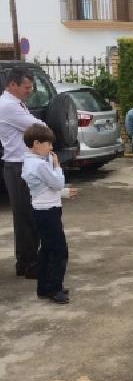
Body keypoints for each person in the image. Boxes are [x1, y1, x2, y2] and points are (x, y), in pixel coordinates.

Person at [21, 124, 77, 304]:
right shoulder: (40, 164)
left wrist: (65, 193)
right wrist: (57, 166)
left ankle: (44, 287)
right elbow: (57, 183)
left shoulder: (29, 161)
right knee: (59, 251)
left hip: (41, 210)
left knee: (46, 249)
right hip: (49, 212)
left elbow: (45, 187)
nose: (51, 148)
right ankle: (55, 288)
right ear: (36, 143)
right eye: (49, 144)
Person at [0, 67, 44, 278]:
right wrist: (45, 129)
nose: (30, 91)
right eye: (26, 87)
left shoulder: (16, 104)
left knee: (27, 215)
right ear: (13, 85)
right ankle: (29, 264)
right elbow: (38, 127)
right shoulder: (8, 106)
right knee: (26, 216)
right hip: (18, 166)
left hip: (21, 165)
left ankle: (25, 261)